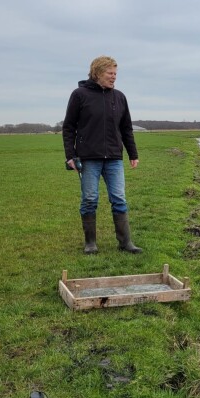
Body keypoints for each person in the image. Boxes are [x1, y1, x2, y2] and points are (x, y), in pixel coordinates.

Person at [62, 55, 142, 254]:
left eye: (115, 74)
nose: (114, 77)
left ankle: (125, 243)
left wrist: (133, 153)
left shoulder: (120, 97)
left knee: (119, 198)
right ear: (97, 73)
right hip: (88, 158)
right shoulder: (79, 95)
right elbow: (69, 127)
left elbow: (126, 129)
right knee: (90, 199)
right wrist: (70, 155)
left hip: (114, 157)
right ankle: (90, 243)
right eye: (110, 73)